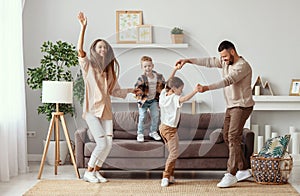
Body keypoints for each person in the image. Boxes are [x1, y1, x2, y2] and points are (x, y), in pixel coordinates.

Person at [176, 40, 255, 188]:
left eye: (225, 56)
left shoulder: (242, 66)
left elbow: (228, 80)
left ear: (232, 52)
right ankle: (243, 169)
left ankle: (231, 174)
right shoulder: (226, 62)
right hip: (231, 106)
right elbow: (209, 61)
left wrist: (206, 88)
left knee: (233, 136)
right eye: (222, 57)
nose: (223, 59)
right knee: (226, 135)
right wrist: (188, 60)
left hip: (242, 106)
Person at [77, 12, 133, 183]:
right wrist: (83, 27)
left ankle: (95, 171)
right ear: (94, 49)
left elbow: (115, 91)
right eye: (99, 47)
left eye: (105, 47)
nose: (103, 49)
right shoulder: (88, 66)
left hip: (106, 110)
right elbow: (80, 50)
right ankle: (88, 172)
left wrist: (132, 90)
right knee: (101, 144)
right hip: (92, 111)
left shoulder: (109, 70)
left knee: (108, 144)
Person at [159, 65, 200, 187]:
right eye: (180, 89)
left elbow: (168, 82)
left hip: (163, 128)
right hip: (169, 129)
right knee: (174, 153)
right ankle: (165, 176)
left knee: (173, 152)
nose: (181, 91)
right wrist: (195, 91)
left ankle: (170, 176)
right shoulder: (174, 98)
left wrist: (175, 70)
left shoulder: (163, 94)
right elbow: (184, 99)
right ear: (174, 88)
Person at [133, 56, 165, 142]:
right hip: (144, 101)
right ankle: (140, 133)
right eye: (145, 66)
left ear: (153, 66)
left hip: (154, 100)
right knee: (142, 116)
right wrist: (139, 99)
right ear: (142, 68)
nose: (147, 68)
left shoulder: (159, 76)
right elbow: (137, 89)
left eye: (149, 66)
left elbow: (163, 87)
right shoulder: (142, 78)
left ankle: (153, 131)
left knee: (156, 115)